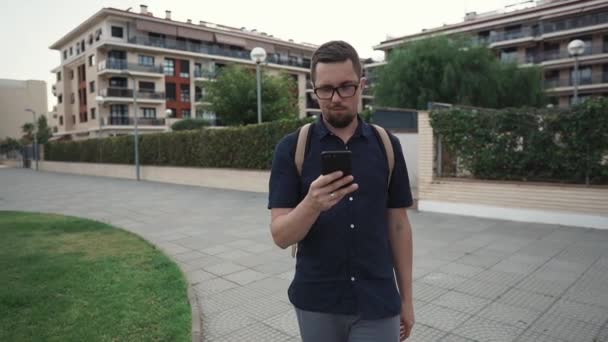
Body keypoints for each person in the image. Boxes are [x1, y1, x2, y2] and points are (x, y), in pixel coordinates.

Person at [268, 40, 415, 341]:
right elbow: (281, 236)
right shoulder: (292, 148)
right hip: (317, 301)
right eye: (326, 89)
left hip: (378, 300)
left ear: (362, 85)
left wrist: (408, 299)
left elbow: (398, 225)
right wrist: (311, 204)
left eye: (346, 86)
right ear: (314, 90)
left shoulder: (387, 145)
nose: (336, 98)